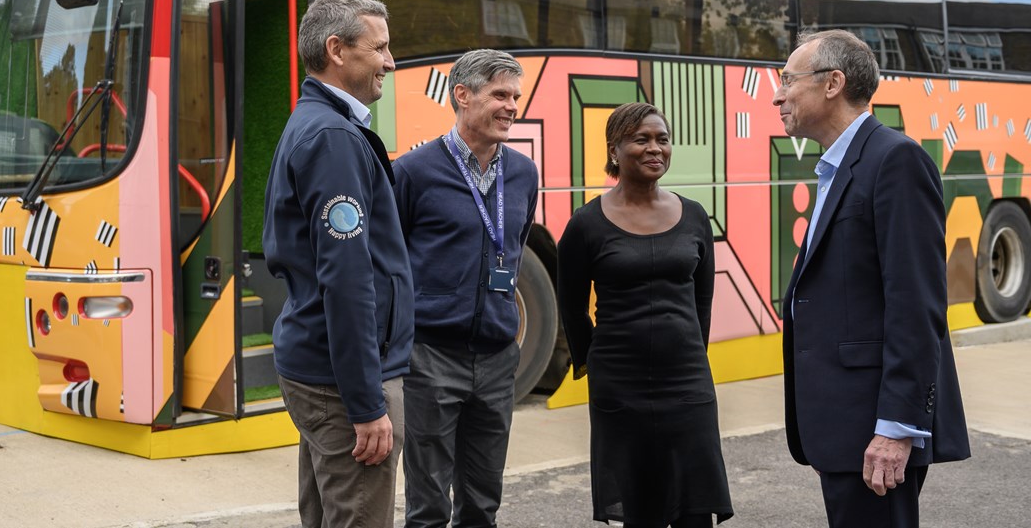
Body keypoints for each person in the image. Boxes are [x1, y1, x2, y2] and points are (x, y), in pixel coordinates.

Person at [772, 29, 971, 528]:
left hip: (872, 430)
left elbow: (916, 304)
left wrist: (897, 428)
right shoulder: (839, 167)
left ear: (833, 83)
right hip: (843, 425)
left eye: (788, 79)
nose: (778, 94)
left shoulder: (894, 160)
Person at [262, 0, 414, 528]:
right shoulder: (332, 138)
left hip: (322, 369)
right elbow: (348, 279)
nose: (391, 63)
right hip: (339, 379)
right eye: (380, 48)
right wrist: (367, 403)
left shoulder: (317, 124)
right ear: (337, 50)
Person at [557, 101, 733, 528]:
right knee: (639, 509)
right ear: (615, 150)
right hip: (620, 387)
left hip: (687, 385)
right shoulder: (586, 224)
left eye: (662, 139)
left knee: (694, 509)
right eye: (641, 139)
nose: (655, 148)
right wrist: (593, 361)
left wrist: (691, 354)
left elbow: (702, 300)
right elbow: (571, 307)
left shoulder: (693, 215)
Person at [392, 49, 539, 528]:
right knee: (428, 503)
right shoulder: (412, 172)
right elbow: (390, 262)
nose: (511, 105)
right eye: (500, 94)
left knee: (482, 502)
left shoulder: (523, 173)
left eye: (515, 95)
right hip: (431, 357)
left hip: (497, 359)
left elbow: (512, 245)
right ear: (462, 95)